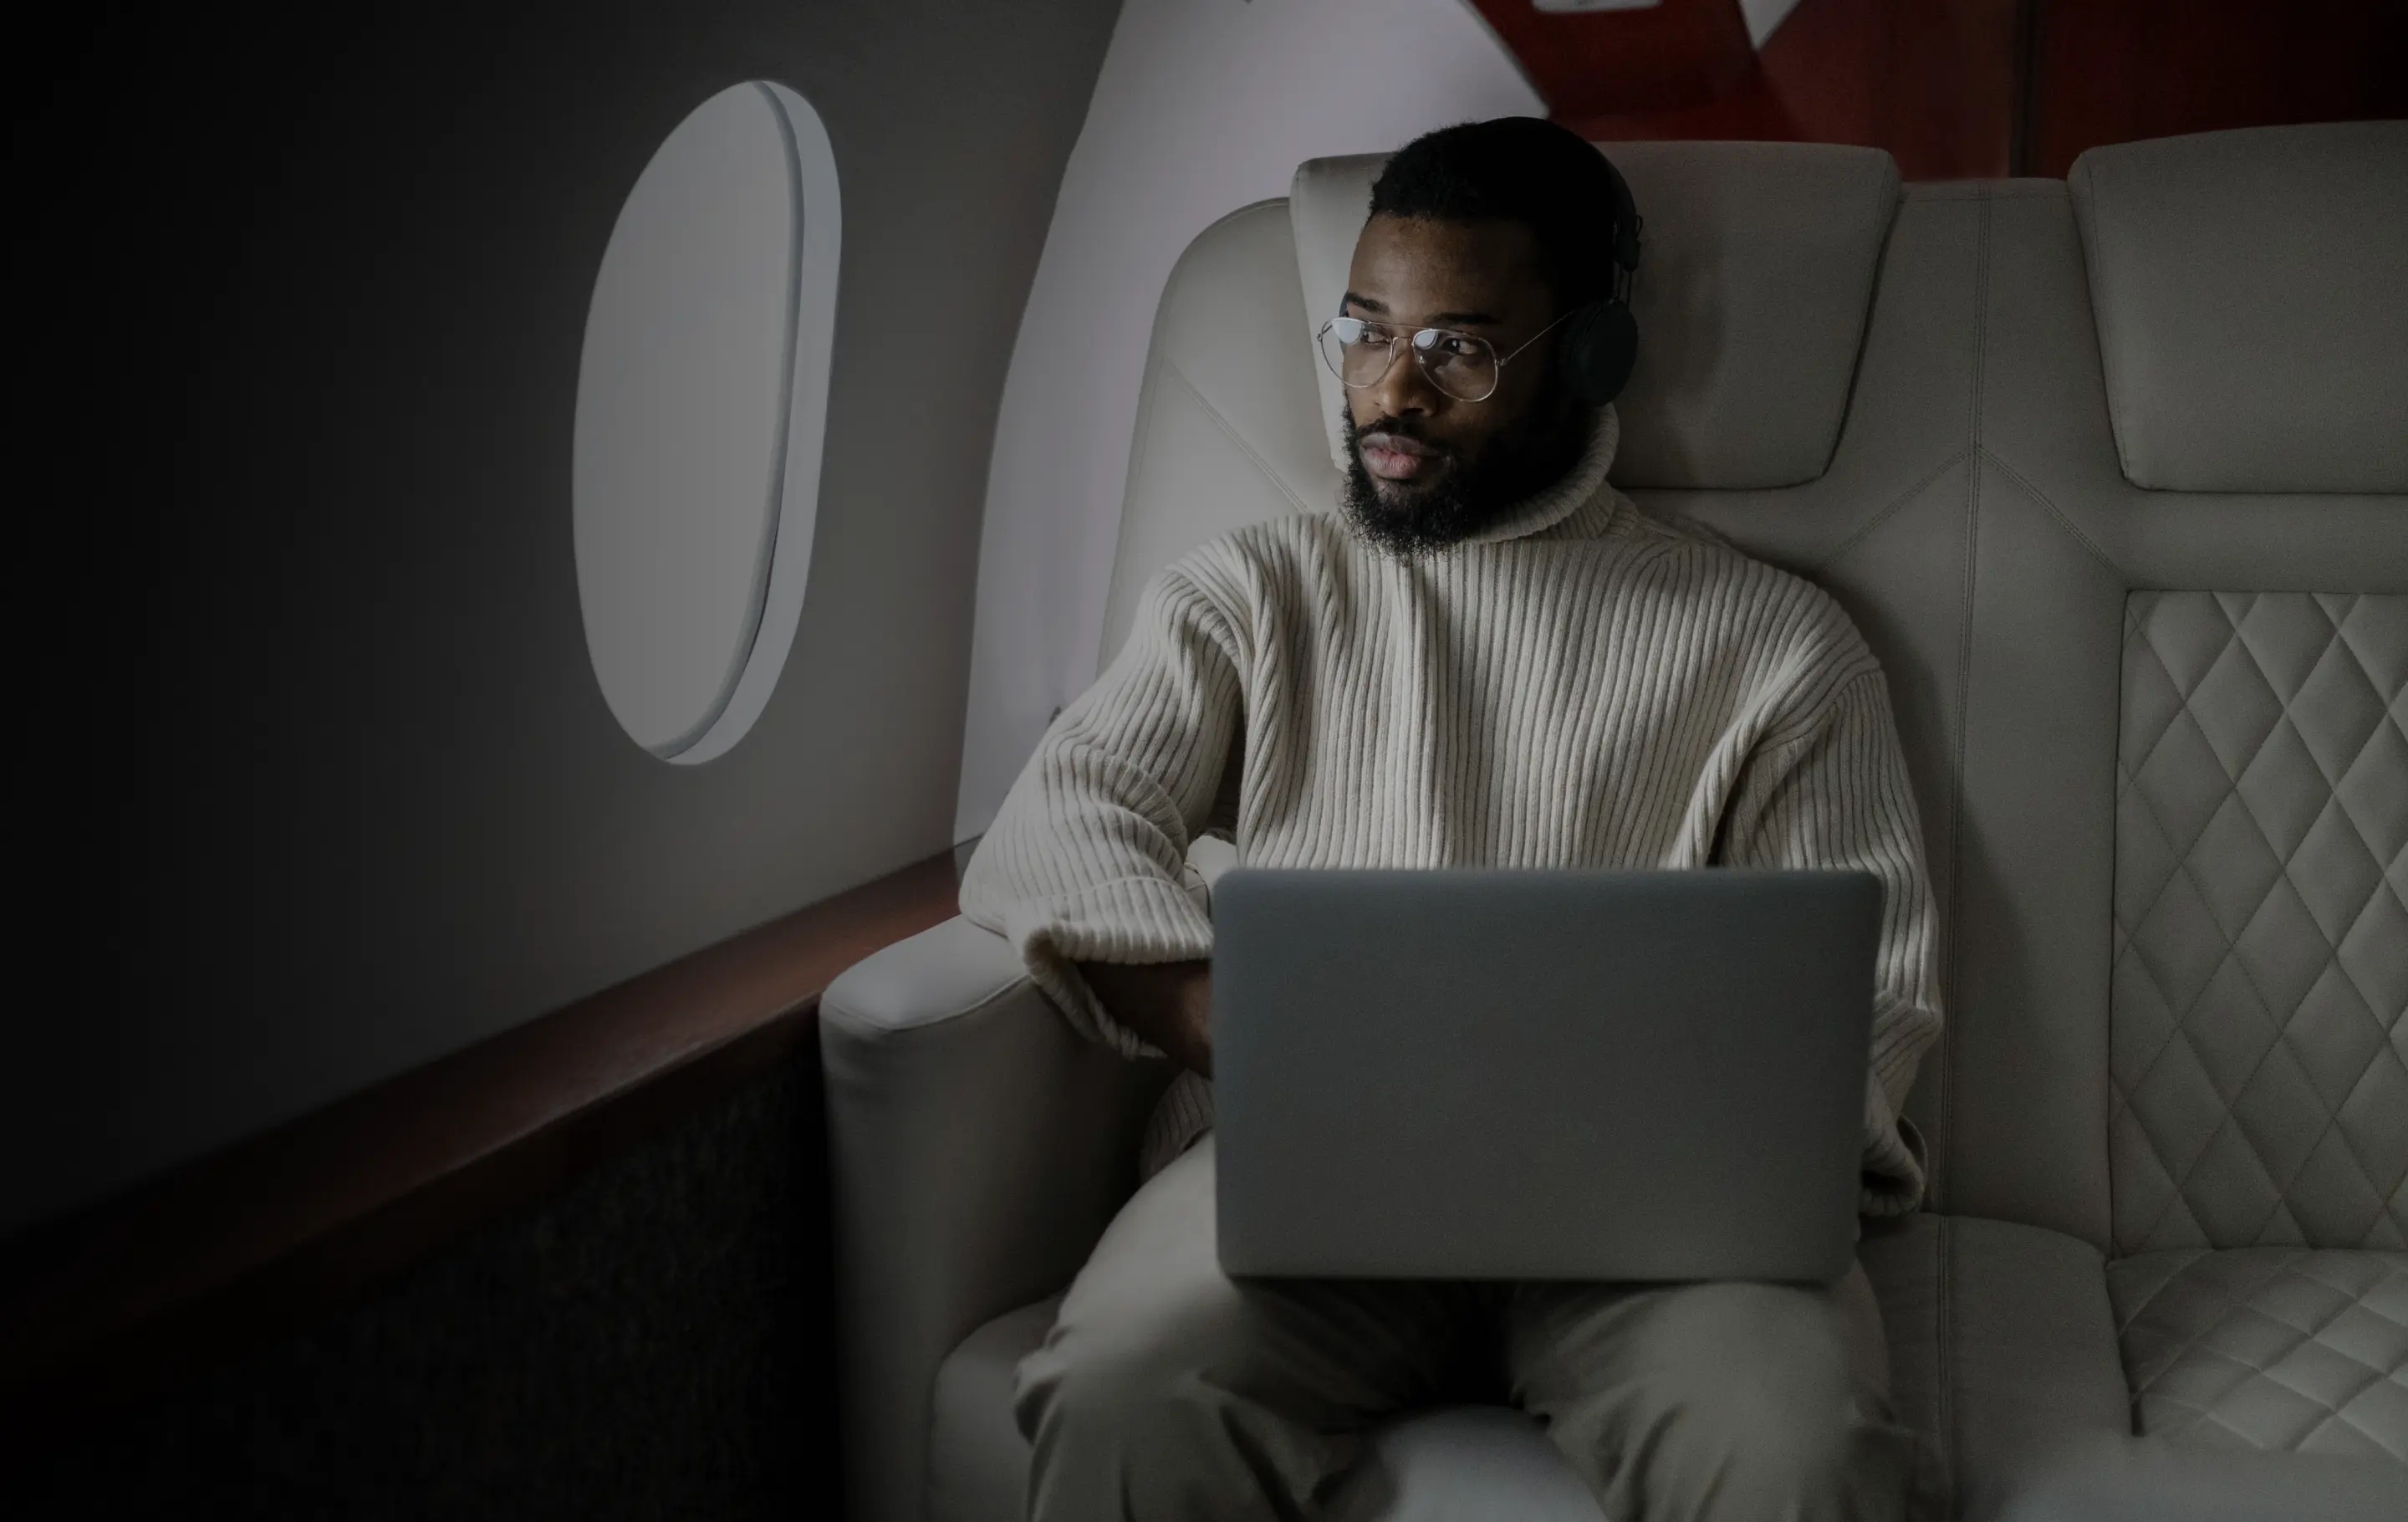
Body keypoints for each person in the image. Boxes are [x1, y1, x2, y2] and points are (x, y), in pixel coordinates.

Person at [960, 115, 1941, 1522]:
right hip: (1307, 1188)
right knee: (1123, 1394)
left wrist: (1692, 1132)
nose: (1388, 394)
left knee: (1800, 1454)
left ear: (1591, 359)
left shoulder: (1781, 648)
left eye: (1456, 350)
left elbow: (1876, 1011)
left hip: (1659, 1233)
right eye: (1364, 332)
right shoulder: (1249, 594)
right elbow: (1057, 822)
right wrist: (1231, 1017)